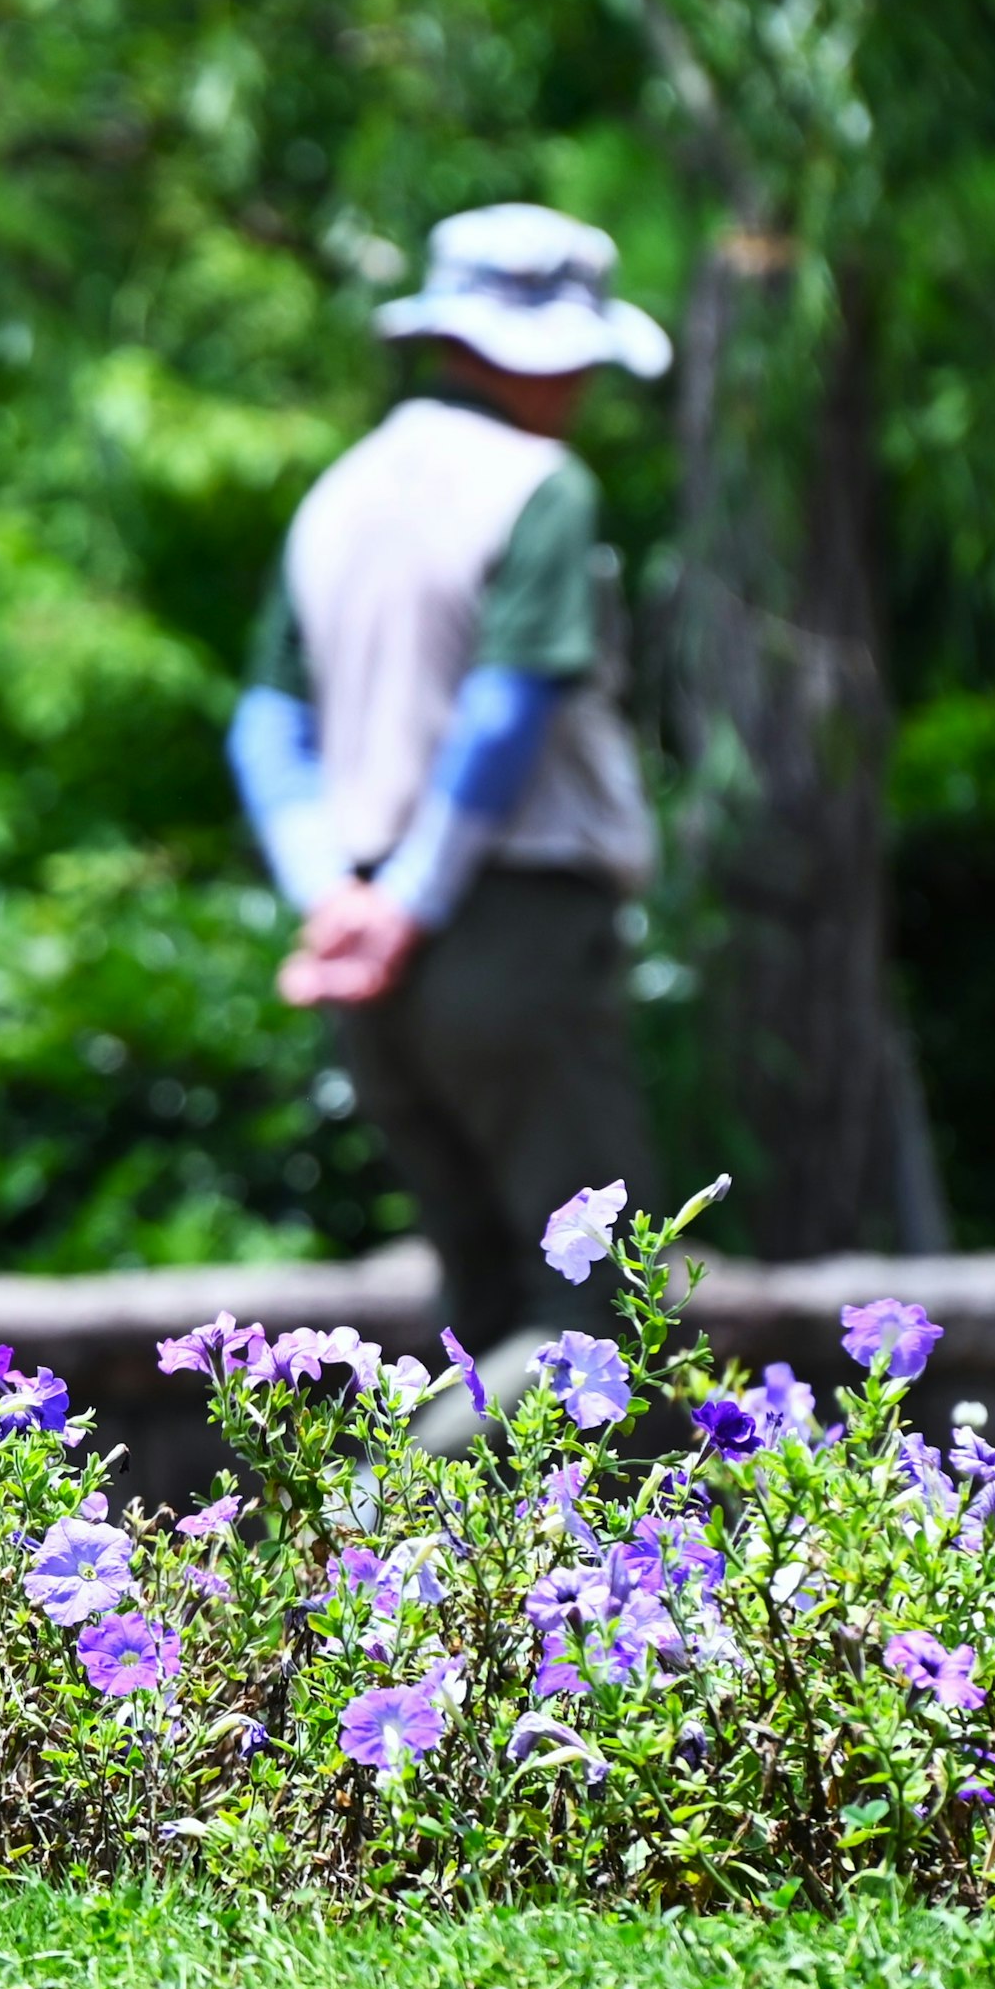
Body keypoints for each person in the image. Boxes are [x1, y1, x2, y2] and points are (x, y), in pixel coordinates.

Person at [230, 203, 665, 1355]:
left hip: (377, 984)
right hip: (505, 932)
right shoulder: (542, 484)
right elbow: (504, 706)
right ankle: (350, 1537)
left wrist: (339, 897)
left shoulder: (342, 489)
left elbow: (267, 724)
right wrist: (406, 907)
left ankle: (380, 1536)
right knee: (603, 1325)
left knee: (480, 1309)